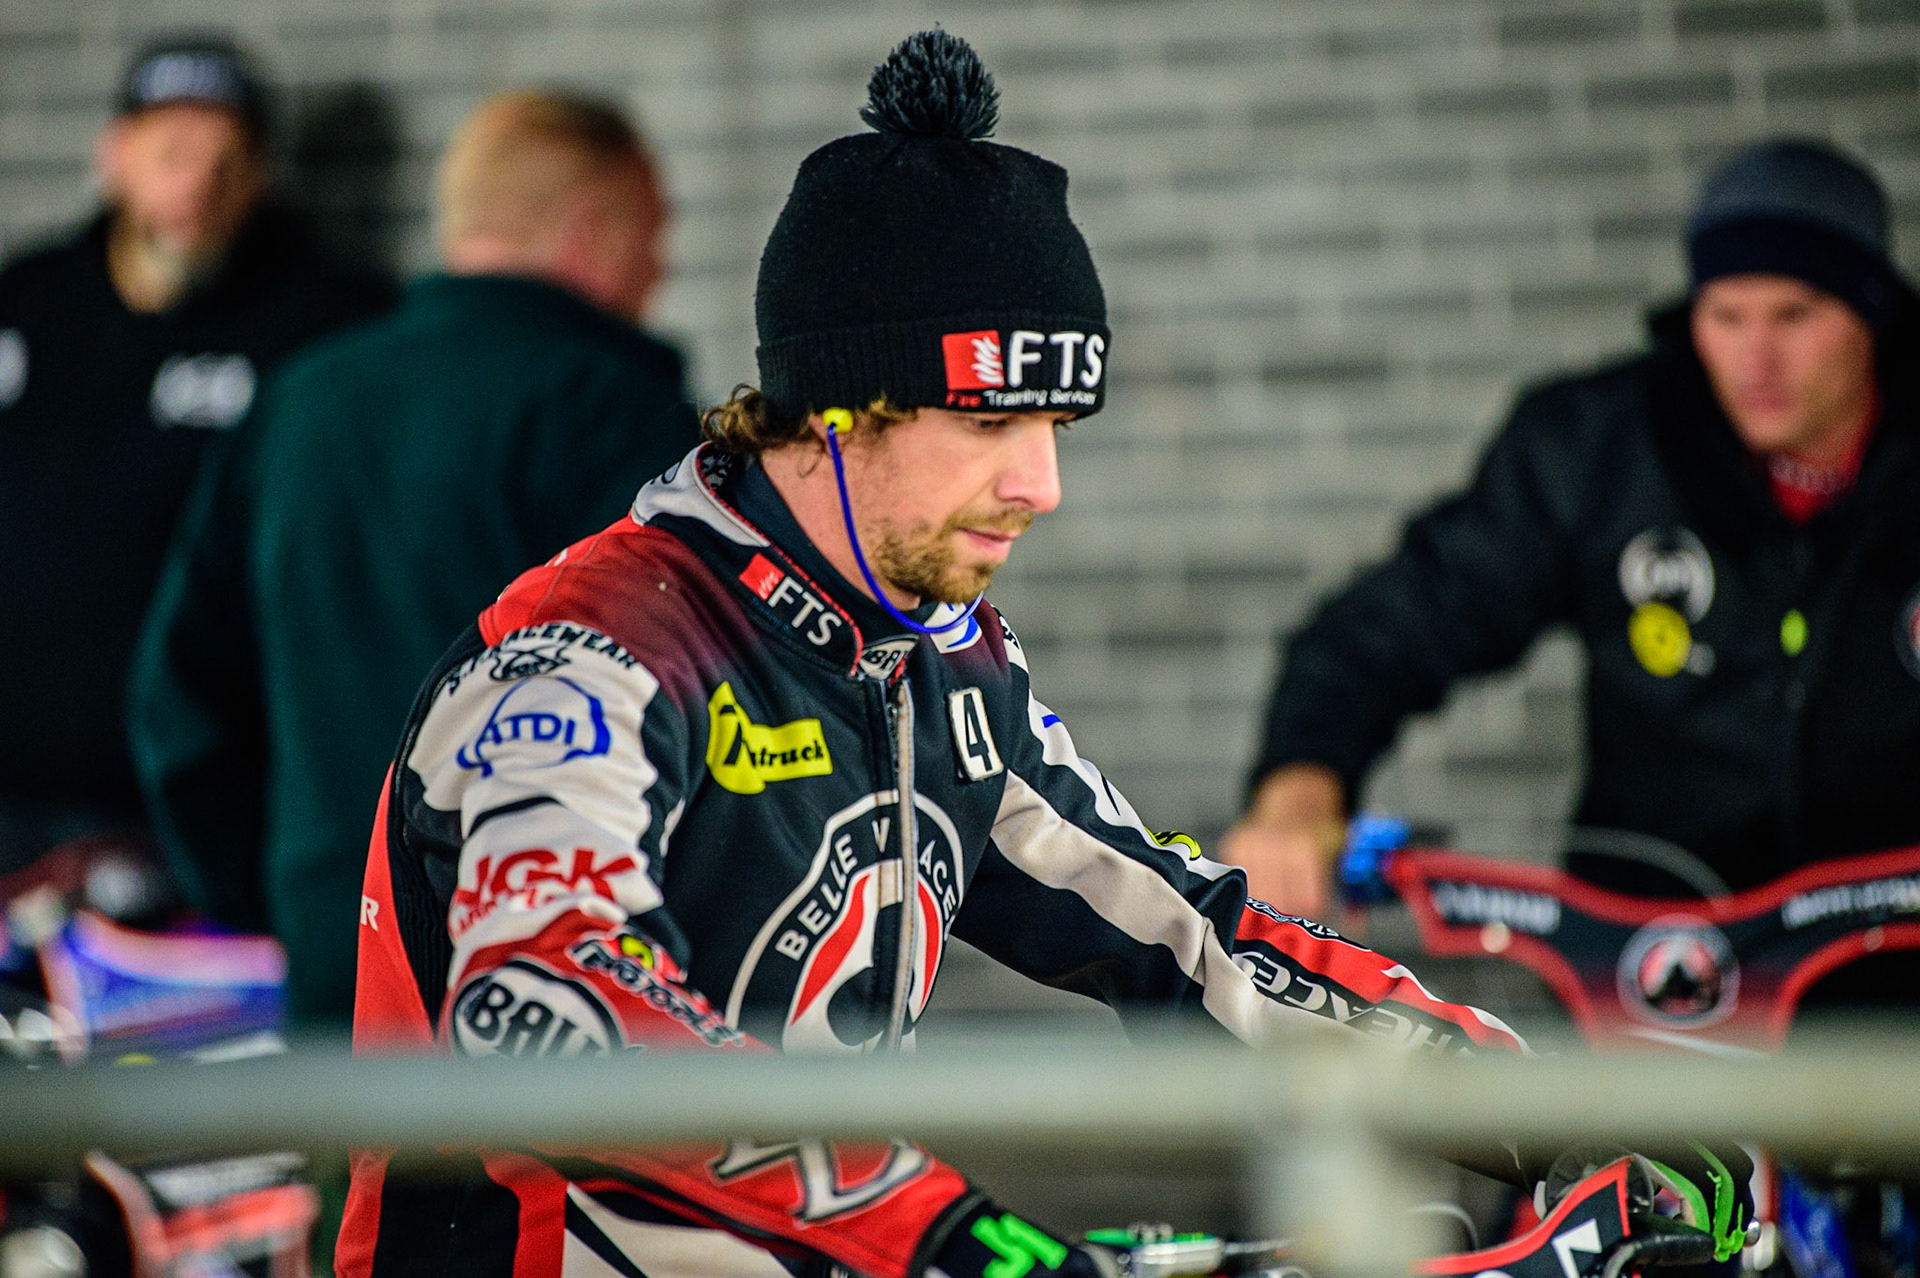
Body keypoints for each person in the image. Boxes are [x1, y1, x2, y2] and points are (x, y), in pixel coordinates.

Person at [335, 34, 1750, 1278]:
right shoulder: (590, 651)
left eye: (1058, 430)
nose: (1043, 486)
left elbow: (1193, 932)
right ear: (841, 409)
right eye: (995, 423)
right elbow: (549, 997)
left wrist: (1543, 1106)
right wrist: (956, 1237)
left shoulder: (945, 665)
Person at [1226, 139, 1920, 927]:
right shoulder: (1595, 449)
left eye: (1795, 315)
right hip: (1647, 967)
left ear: (1872, 312)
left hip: (1898, 970)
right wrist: (1297, 798)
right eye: (1725, 316)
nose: (1756, 357)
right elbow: (1389, 629)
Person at [128, 90, 699, 1025]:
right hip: (567, 988)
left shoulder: (298, 404)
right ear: (593, 229)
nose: (659, 271)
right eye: (653, 238)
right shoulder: (612, 413)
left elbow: (180, 703)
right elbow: (701, 694)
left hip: (335, 971)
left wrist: (295, 897)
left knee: (353, 1178)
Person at [0, 35, 392, 871]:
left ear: (258, 180)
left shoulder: (322, 327)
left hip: (196, 815)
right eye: (173, 154)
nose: (196, 187)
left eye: (226, 163)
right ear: (114, 157)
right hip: (15, 802)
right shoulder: (23, 302)